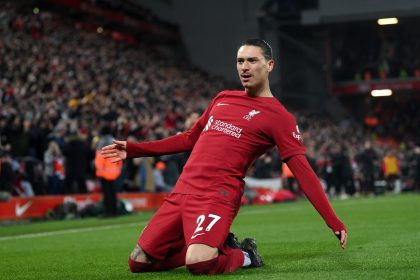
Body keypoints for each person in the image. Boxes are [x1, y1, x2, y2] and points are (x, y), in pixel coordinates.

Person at [101, 39, 347, 275]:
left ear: (269, 65)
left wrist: (332, 220)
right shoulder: (223, 98)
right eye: (240, 61)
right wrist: (134, 149)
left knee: (198, 264)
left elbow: (302, 170)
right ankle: (213, 244)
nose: (245, 67)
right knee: (138, 262)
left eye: (252, 61)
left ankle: (245, 255)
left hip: (217, 194)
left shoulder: (280, 117)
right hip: (183, 190)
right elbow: (188, 138)